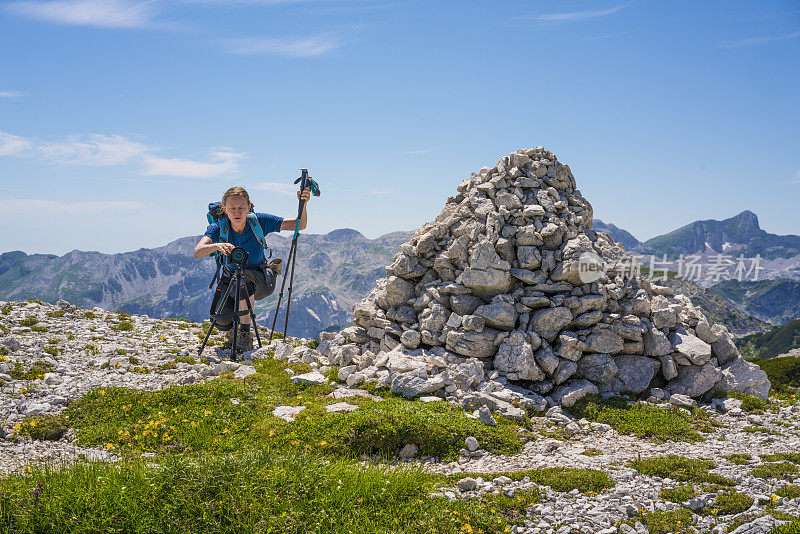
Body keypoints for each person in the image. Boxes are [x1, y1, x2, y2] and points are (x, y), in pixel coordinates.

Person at [194, 186, 311, 352]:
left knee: (245, 277)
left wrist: (303, 204)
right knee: (220, 318)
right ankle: (233, 329)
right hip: (230, 280)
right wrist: (217, 245)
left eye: (241, 207)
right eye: (232, 208)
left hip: (260, 280)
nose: (237, 212)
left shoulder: (259, 221)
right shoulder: (218, 227)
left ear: (249, 207)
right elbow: (198, 251)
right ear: (224, 208)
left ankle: (244, 334)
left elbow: (300, 225)